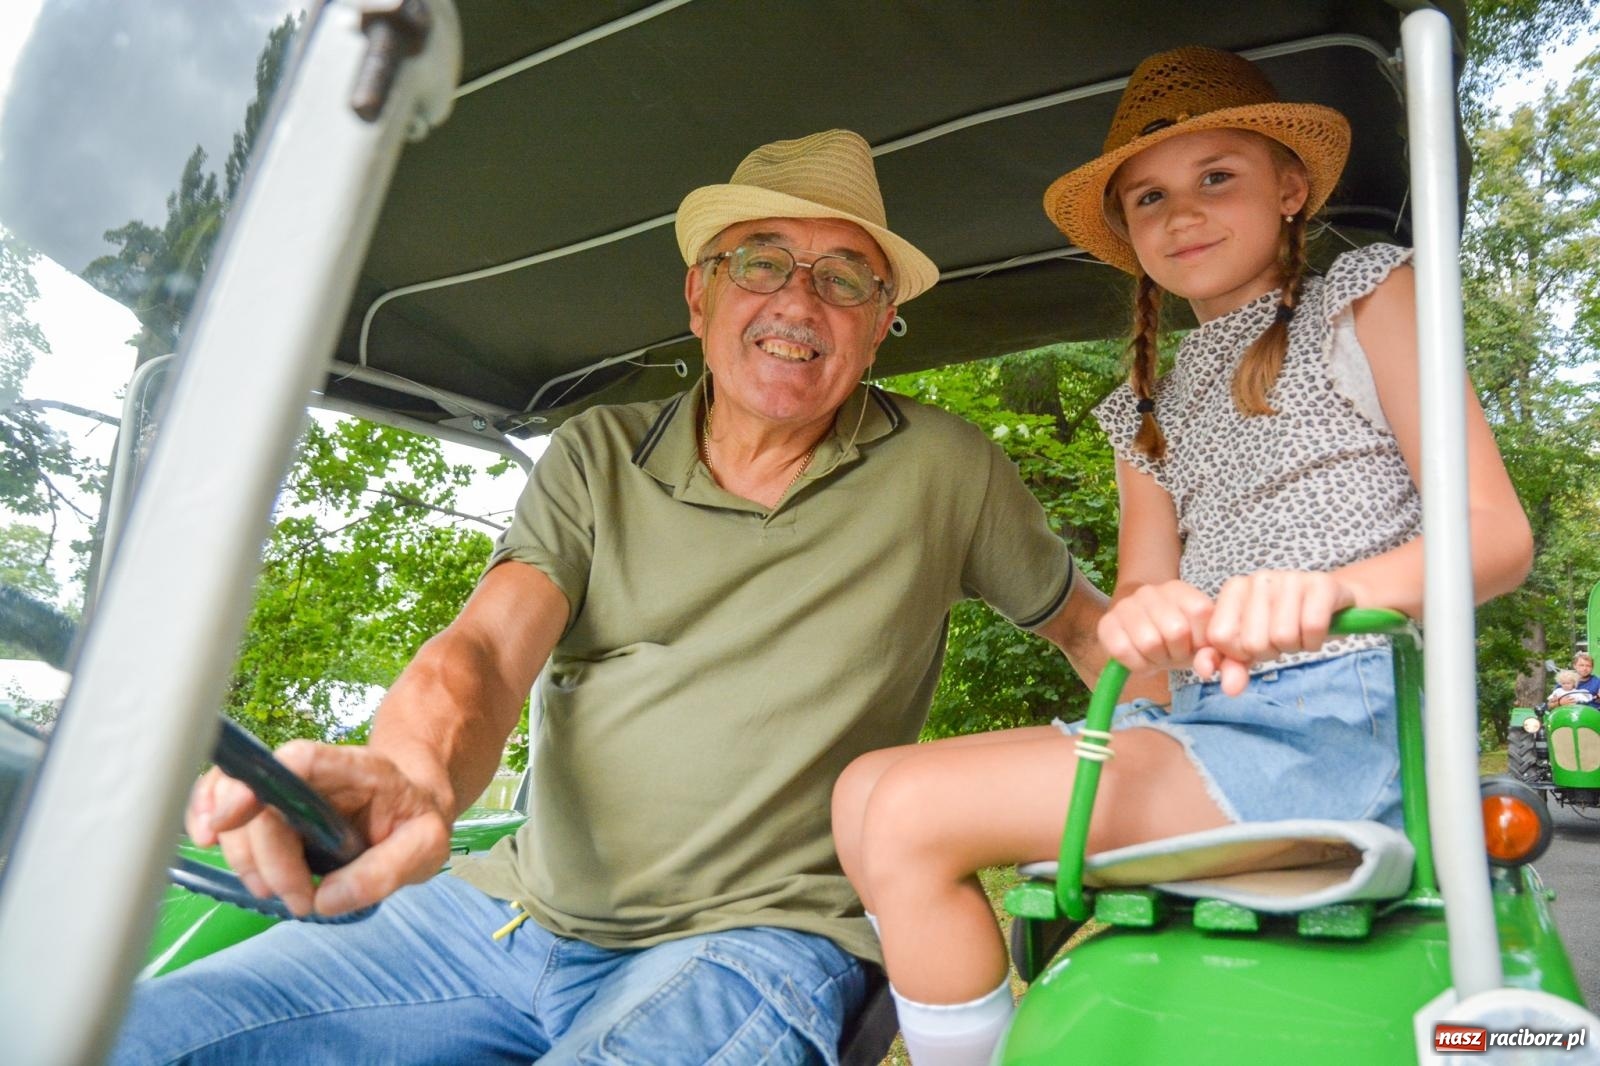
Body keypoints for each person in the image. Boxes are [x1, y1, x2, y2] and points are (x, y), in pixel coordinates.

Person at [110, 129, 1115, 1066]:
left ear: (881, 324)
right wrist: (411, 767)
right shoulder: (596, 451)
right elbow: (489, 653)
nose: (798, 304)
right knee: (125, 1032)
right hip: (502, 912)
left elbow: (1094, 632)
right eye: (760, 261)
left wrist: (1212, 759)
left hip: (756, 938)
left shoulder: (946, 466)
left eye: (846, 277)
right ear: (699, 294)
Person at [830, 47, 1533, 1066]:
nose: (1181, 212)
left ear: (1290, 189)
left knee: (903, 811)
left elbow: (1494, 533)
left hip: (1338, 729)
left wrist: (1324, 592)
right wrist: (1139, 619)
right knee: (863, 790)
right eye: (1147, 196)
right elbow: (1142, 612)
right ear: (1128, 235)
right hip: (1199, 721)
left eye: (1217, 177)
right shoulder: (1143, 413)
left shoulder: (1370, 296)